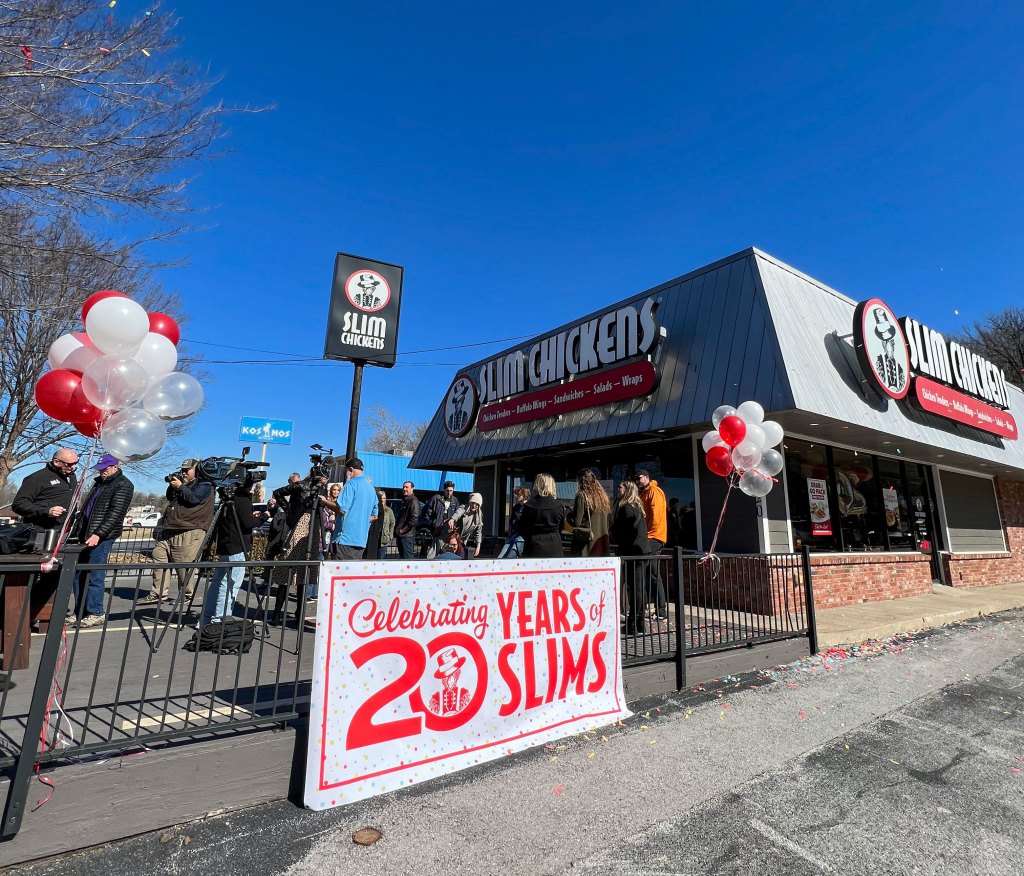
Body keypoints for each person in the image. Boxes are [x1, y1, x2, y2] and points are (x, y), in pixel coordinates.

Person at [142, 459, 214, 605]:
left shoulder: (205, 484)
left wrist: (181, 486)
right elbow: (170, 497)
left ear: (197, 469)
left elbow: (193, 499)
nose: (184, 472)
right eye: (182, 470)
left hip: (189, 529)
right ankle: (158, 593)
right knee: (159, 556)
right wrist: (174, 485)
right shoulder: (184, 485)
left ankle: (186, 595)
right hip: (170, 528)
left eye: (187, 470)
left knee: (183, 565)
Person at [73, 454, 134, 626]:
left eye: (105, 469)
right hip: (85, 532)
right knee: (79, 574)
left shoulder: (123, 485)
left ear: (115, 466)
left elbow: (115, 514)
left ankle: (95, 611)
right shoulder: (99, 483)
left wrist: (99, 534)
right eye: (100, 469)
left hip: (101, 536)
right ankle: (80, 611)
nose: (102, 472)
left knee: (95, 574)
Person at [200, 482, 255, 627]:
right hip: (237, 548)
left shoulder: (227, 501)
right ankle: (219, 620)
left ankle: (206, 620)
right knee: (230, 585)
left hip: (225, 546)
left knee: (218, 583)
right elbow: (248, 523)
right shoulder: (242, 500)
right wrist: (262, 517)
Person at [611, 481, 651, 635]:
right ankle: (639, 622)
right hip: (641, 551)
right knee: (639, 587)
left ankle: (633, 622)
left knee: (634, 588)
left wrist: (617, 535)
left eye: (621, 487)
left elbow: (628, 530)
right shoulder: (636, 506)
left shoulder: (626, 508)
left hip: (634, 551)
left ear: (627, 490)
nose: (618, 488)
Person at [13, 447, 78, 532]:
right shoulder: (37, 478)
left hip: (65, 531)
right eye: (69, 464)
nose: (73, 467)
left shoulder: (72, 477)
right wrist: (46, 511)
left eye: (76, 463)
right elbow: (19, 505)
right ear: (56, 462)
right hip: (40, 532)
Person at [636, 470, 668, 619]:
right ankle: (658, 609)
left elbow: (656, 517)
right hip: (649, 537)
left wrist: (647, 537)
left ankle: (661, 610)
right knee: (651, 574)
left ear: (647, 478)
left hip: (654, 538)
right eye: (636, 479)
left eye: (640, 478)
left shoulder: (654, 492)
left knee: (653, 574)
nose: (638, 481)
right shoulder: (643, 493)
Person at [331, 458, 378, 560]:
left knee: (341, 574)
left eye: (346, 471)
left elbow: (341, 509)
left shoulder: (351, 484)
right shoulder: (371, 488)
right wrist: (361, 520)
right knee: (353, 573)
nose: (346, 473)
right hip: (361, 540)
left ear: (350, 470)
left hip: (345, 539)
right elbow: (375, 515)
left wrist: (325, 502)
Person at [518, 473, 566, 558]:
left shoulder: (529, 506)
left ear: (537, 485)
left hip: (533, 547)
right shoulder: (559, 506)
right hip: (554, 547)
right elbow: (561, 528)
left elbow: (522, 528)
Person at [569, 469, 611, 557]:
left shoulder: (582, 496)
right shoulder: (603, 497)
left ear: (581, 481)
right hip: (601, 543)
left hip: (587, 545)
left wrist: (569, 516)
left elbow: (577, 522)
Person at [420, 480, 461, 558]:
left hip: (449, 531)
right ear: (444, 490)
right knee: (436, 550)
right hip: (437, 530)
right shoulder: (436, 498)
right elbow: (426, 511)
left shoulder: (455, 501)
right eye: (447, 491)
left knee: (448, 550)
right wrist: (432, 523)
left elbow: (457, 514)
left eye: (451, 491)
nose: (449, 493)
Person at [497, 486, 530, 558]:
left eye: (519, 495)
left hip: (523, 536)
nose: (516, 496)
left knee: (512, 553)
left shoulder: (529, 507)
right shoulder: (516, 507)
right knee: (504, 551)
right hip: (516, 534)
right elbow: (512, 520)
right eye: (516, 494)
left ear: (524, 496)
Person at [451, 492, 484, 558]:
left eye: (476, 504)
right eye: (472, 503)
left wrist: (478, 546)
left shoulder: (479, 517)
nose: (474, 505)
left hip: (462, 541)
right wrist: (453, 519)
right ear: (469, 502)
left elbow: (478, 532)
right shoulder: (464, 508)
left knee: (462, 557)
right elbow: (458, 513)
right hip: (453, 539)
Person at [395, 480, 421, 559]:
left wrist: (402, 530)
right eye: (403, 487)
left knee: (408, 559)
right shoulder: (406, 500)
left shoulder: (413, 501)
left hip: (407, 536)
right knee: (403, 559)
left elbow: (414, 519)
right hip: (402, 535)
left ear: (412, 489)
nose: (404, 489)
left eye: (407, 487)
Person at [376, 490, 396, 559]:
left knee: (381, 559)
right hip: (374, 538)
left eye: (384, 498)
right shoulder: (374, 509)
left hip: (384, 539)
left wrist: (390, 536)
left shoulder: (389, 510)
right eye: (381, 498)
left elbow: (392, 523)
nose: (382, 500)